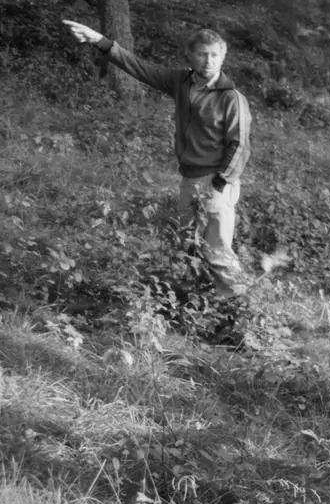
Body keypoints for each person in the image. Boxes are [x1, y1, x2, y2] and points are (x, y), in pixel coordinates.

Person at [61, 20, 252, 298]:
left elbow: (240, 144)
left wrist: (221, 183)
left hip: (216, 180)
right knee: (189, 244)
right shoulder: (181, 82)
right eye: (202, 54)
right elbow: (140, 68)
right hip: (189, 178)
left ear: (223, 57)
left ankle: (239, 303)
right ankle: (201, 301)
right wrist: (98, 40)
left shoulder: (231, 98)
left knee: (217, 250)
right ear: (191, 55)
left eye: (214, 55)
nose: (208, 60)